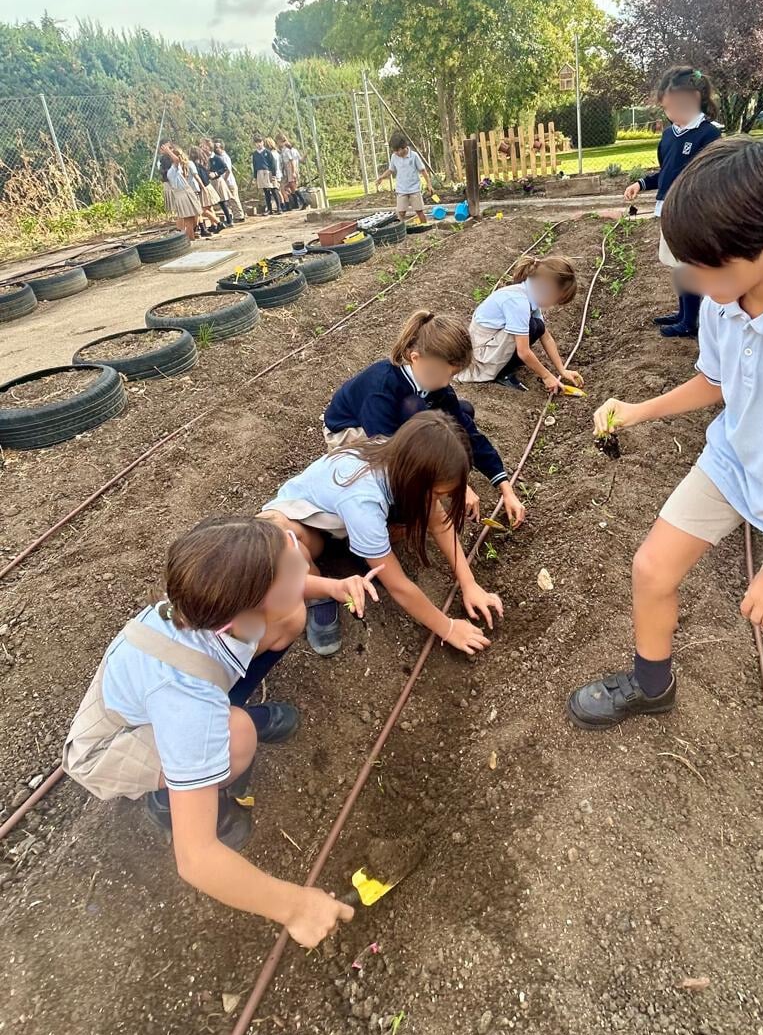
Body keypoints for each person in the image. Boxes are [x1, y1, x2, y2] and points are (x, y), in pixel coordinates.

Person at [568, 139, 763, 764]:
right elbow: (715, 382)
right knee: (652, 568)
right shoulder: (725, 302)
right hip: (736, 461)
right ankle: (652, 684)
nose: (692, 279)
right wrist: (637, 410)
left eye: (706, 263)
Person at [63, 516, 380, 943]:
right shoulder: (187, 703)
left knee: (291, 618)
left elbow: (285, 595)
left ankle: (227, 716)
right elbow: (196, 859)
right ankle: (166, 800)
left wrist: (334, 587)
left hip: (172, 698)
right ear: (247, 607)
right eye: (290, 569)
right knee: (240, 737)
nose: (303, 566)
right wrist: (295, 906)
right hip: (112, 745)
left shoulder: (213, 601)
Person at [259, 411, 502, 658]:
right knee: (283, 546)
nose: (440, 500)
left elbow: (439, 523)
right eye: (438, 494)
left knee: (390, 529)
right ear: (415, 478)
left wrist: (469, 583)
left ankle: (357, 548)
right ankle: (319, 595)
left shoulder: (403, 456)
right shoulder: (363, 500)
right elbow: (398, 586)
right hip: (300, 524)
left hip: (336, 525)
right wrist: (448, 628)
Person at [323, 310, 527, 528]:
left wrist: (505, 488)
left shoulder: (434, 384)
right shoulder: (381, 387)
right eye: (442, 374)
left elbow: (469, 433)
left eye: (450, 376)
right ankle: (395, 519)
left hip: (393, 427)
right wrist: (457, 485)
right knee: (415, 413)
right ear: (415, 358)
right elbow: (388, 448)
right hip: (353, 435)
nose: (445, 383)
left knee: (461, 413)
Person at [624, 65, 720, 340]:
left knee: (689, 265)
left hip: (692, 212)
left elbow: (711, 175)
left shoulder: (708, 135)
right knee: (679, 264)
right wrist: (641, 184)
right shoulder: (669, 135)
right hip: (669, 210)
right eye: (666, 109)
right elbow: (666, 172)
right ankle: (684, 313)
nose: (669, 114)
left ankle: (691, 321)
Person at [457, 255, 583, 393]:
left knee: (537, 326)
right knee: (532, 326)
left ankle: (504, 366)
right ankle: (502, 373)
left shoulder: (529, 294)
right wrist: (546, 376)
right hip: (479, 358)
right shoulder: (518, 302)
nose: (552, 305)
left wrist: (562, 370)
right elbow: (523, 351)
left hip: (489, 345)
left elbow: (545, 336)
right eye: (556, 300)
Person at [375, 131, 433, 222]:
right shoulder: (394, 157)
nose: (396, 153)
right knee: (401, 213)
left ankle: (425, 226)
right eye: (394, 151)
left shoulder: (414, 156)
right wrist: (381, 177)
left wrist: (429, 184)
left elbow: (423, 170)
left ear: (404, 147)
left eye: (397, 150)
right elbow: (391, 170)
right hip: (401, 190)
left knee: (419, 211)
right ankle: (401, 228)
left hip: (414, 189)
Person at [162, 144, 201, 241]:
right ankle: (190, 239)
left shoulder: (175, 170)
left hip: (183, 193)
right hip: (183, 194)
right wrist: (168, 151)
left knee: (191, 219)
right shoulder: (172, 170)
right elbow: (176, 160)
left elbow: (177, 160)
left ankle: (190, 238)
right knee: (188, 220)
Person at [190, 144, 227, 236]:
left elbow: (198, 178)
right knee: (209, 208)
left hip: (203, 188)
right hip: (208, 186)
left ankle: (218, 223)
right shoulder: (203, 162)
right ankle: (214, 225)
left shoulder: (195, 165)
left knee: (202, 210)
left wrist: (202, 188)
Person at [212, 139, 245, 222]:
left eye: (217, 147)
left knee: (234, 199)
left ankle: (239, 216)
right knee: (229, 200)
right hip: (224, 182)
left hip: (229, 182)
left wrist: (224, 180)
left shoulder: (225, 157)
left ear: (222, 147)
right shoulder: (218, 157)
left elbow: (228, 171)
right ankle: (235, 215)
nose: (216, 149)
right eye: (215, 147)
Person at [253, 136, 282, 216]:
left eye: (260, 142)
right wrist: (255, 176)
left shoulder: (267, 152)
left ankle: (279, 208)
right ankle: (269, 209)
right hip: (260, 172)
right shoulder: (255, 154)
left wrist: (273, 175)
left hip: (268, 172)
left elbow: (273, 164)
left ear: (263, 142)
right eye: (256, 143)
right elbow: (254, 165)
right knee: (266, 192)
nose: (258, 144)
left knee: (274, 190)